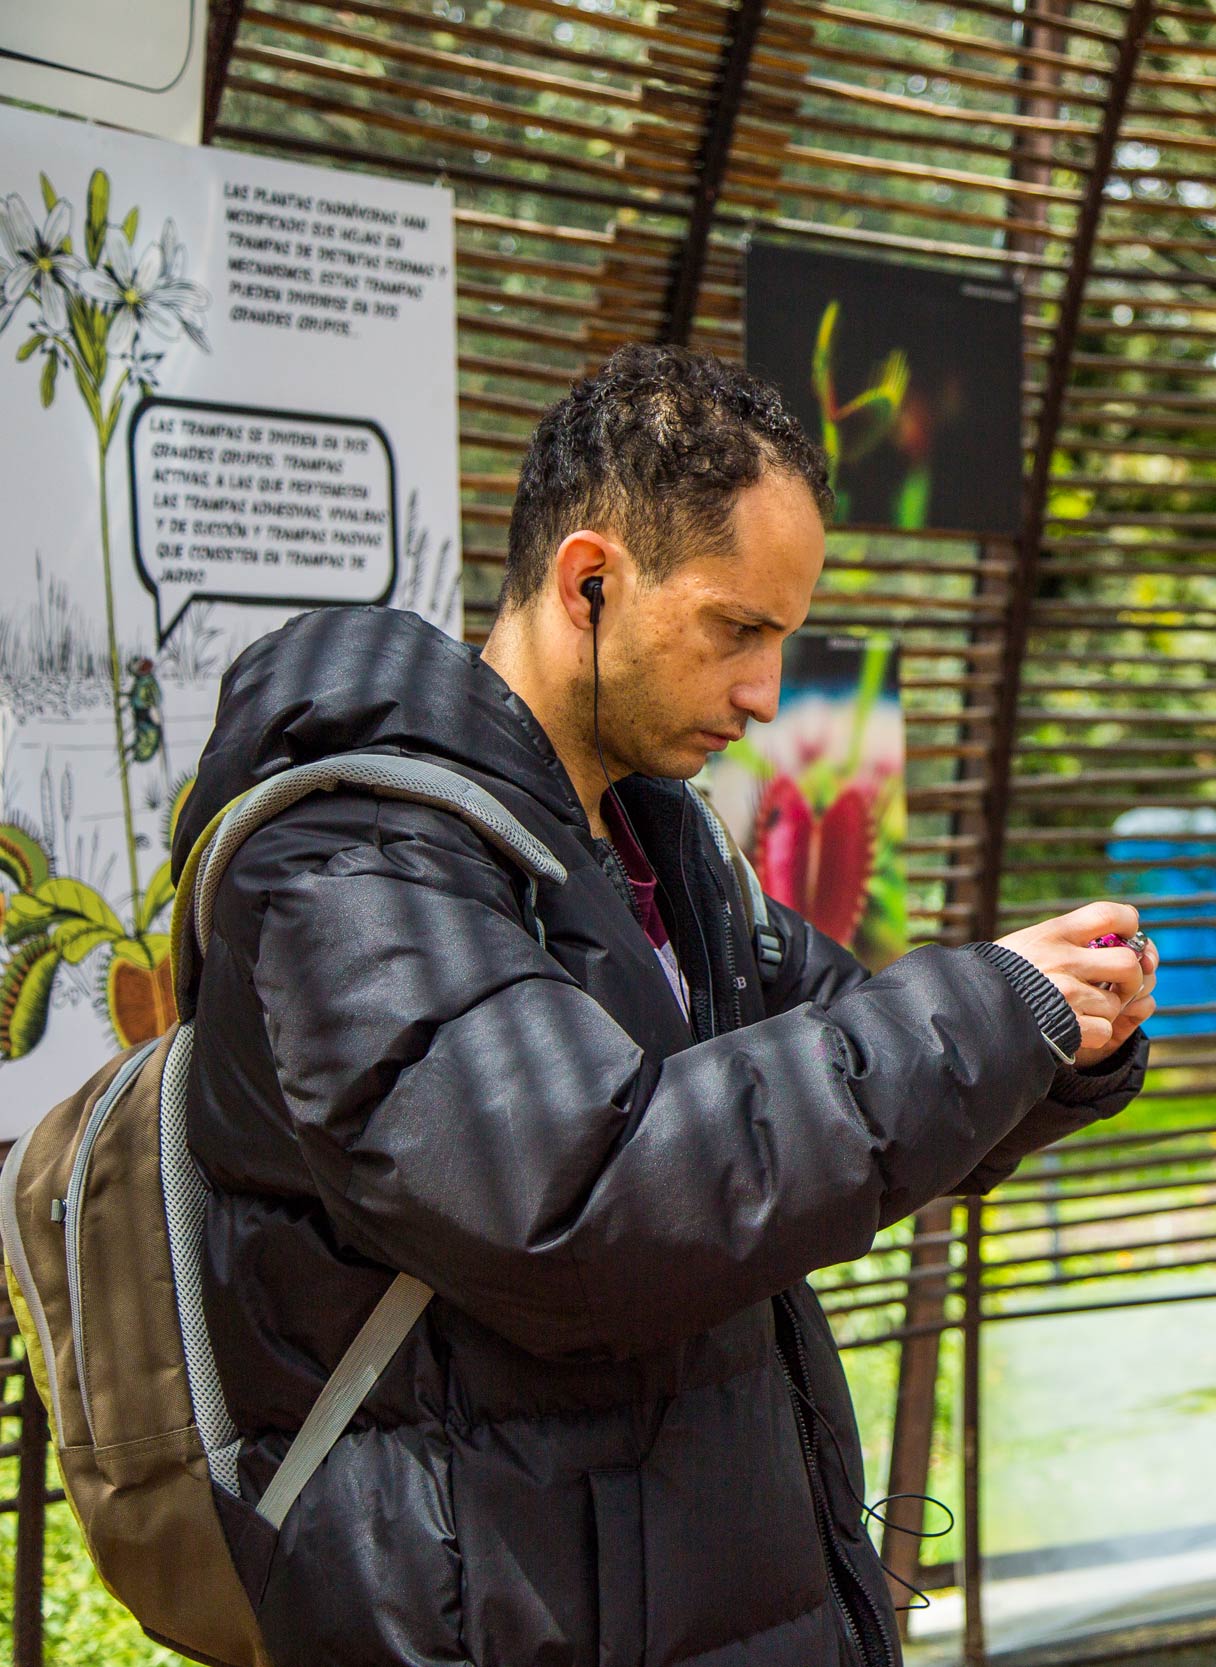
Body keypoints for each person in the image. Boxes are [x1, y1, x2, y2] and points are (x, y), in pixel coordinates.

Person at [172, 344, 1155, 1667]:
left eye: (785, 641)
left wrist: (1056, 1036)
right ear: (591, 582)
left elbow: (852, 1096)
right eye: (736, 631)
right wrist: (987, 1012)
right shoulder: (351, 855)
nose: (765, 694)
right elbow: (573, 1203)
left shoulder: (664, 847)